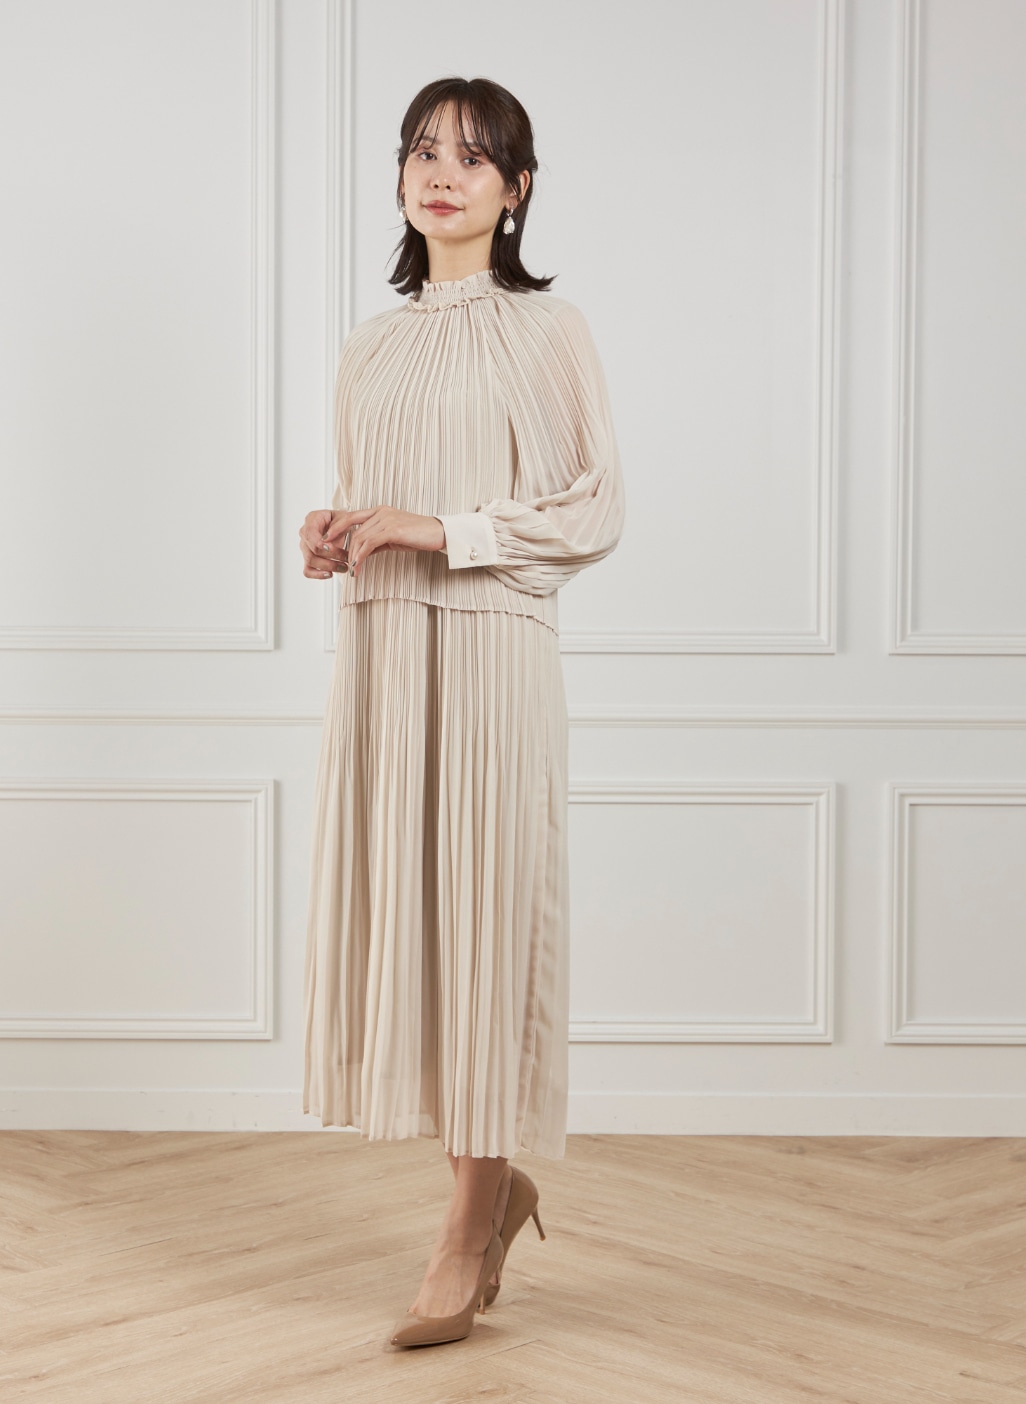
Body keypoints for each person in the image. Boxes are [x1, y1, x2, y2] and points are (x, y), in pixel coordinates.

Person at [299, 75, 625, 1348]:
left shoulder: (550, 333)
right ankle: (486, 1196)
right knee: (424, 937)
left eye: (474, 157)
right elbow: (383, 497)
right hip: (385, 651)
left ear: (516, 189)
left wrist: (442, 530)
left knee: (486, 927)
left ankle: (468, 1223)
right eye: (424, 152)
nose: (443, 174)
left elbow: (592, 509)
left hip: (491, 653)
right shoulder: (369, 346)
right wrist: (341, 532)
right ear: (399, 177)